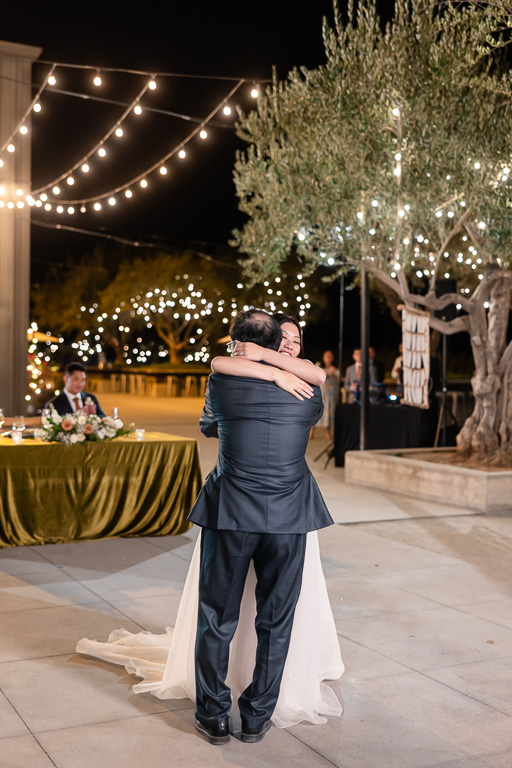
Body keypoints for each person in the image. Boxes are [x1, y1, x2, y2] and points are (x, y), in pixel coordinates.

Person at [76, 311, 343, 741]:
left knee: (217, 617)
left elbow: (210, 422)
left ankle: (214, 715)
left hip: (231, 513)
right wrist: (277, 375)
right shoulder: (308, 393)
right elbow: (309, 397)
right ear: (276, 346)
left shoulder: (220, 384)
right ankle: (256, 716)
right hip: (289, 516)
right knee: (277, 620)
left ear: (244, 346)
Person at [313, 351, 339, 441]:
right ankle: (311, 432)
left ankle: (328, 432)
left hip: (330, 395)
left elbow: (338, 380)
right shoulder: (319, 366)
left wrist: (333, 374)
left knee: (328, 413)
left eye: (330, 356)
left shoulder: (335, 369)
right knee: (316, 411)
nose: (328, 357)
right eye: (326, 355)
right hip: (321, 394)